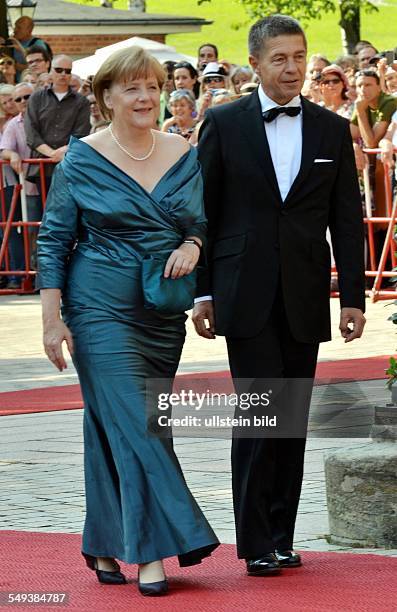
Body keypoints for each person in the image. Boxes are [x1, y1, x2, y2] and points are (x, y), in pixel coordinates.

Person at [36, 45, 219, 597]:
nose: (145, 97)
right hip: (97, 308)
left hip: (160, 311)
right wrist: (51, 321)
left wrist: (191, 242)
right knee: (138, 426)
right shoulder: (82, 159)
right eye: (133, 88)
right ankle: (154, 552)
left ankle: (102, 540)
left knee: (120, 425)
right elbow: (53, 239)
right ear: (107, 97)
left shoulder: (182, 151)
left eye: (153, 87)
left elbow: (200, 222)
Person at [193, 14, 366, 576]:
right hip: (243, 291)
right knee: (259, 414)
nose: (292, 69)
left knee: (290, 419)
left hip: (305, 292)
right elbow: (205, 214)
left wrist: (354, 299)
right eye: (279, 59)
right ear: (257, 63)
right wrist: (202, 293)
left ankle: (282, 536)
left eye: (299, 57)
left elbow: (346, 220)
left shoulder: (332, 129)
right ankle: (255, 541)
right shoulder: (222, 123)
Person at [24, 54, 90, 195]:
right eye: (59, 70)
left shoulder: (81, 102)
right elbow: (31, 131)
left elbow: (82, 133)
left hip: (70, 165)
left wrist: (62, 152)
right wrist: (52, 154)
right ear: (51, 71)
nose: (63, 74)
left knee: (68, 211)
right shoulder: (36, 98)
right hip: (41, 167)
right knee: (45, 211)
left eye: (67, 71)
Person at [1, 82, 41, 280]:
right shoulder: (13, 125)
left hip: (57, 184)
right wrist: (12, 155)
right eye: (19, 99)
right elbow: (4, 149)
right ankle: (35, 273)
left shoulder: (47, 117)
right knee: (33, 229)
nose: (23, 102)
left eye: (27, 96)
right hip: (31, 187)